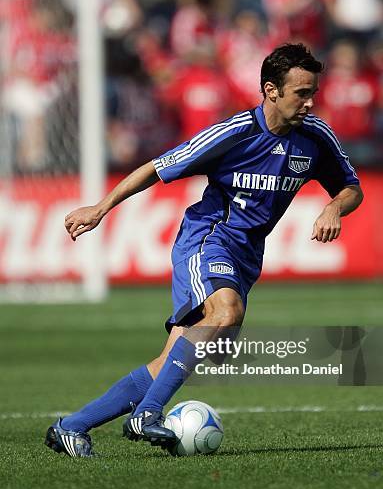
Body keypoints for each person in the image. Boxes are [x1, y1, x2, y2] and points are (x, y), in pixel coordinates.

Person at [45, 43, 363, 458]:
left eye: (312, 92)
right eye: (301, 93)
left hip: (247, 257)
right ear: (270, 90)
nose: (310, 101)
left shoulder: (315, 137)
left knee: (180, 359)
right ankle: (148, 415)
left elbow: (351, 187)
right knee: (224, 313)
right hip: (206, 239)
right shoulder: (234, 133)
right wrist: (101, 208)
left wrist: (333, 207)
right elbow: (156, 168)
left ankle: (72, 427)